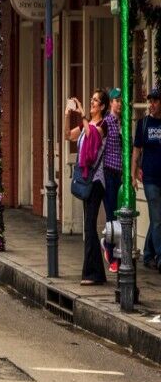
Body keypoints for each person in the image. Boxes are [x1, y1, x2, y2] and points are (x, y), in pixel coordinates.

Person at [65, 89, 109, 285]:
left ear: (102, 106)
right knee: (88, 226)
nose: (92, 103)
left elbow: (92, 136)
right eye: (91, 99)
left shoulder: (101, 126)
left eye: (95, 101)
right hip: (87, 179)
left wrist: (81, 111)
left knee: (90, 226)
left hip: (97, 182)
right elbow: (68, 135)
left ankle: (91, 273)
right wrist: (68, 114)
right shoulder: (85, 126)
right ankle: (97, 273)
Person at [133, 87, 161, 272]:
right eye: (149, 101)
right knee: (158, 219)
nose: (151, 104)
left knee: (156, 217)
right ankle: (160, 256)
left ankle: (149, 253)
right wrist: (133, 173)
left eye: (155, 101)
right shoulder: (143, 124)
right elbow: (136, 150)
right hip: (150, 178)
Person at [101, 88, 122, 272]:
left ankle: (115, 250)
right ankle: (110, 252)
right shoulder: (107, 122)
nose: (119, 104)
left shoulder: (121, 122)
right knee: (111, 215)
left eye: (121, 101)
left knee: (120, 216)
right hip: (108, 172)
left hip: (119, 174)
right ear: (111, 103)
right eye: (116, 101)